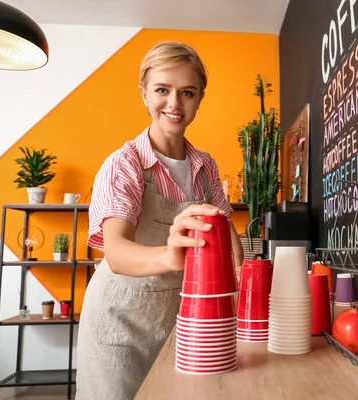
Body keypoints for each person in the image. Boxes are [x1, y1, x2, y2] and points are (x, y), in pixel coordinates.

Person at [76, 41, 244, 400]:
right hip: (121, 324)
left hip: (175, 320)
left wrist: (238, 286)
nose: (174, 103)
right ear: (144, 94)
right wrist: (168, 257)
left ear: (199, 99)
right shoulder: (125, 164)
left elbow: (226, 228)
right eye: (162, 90)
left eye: (187, 92)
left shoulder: (205, 166)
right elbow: (117, 252)